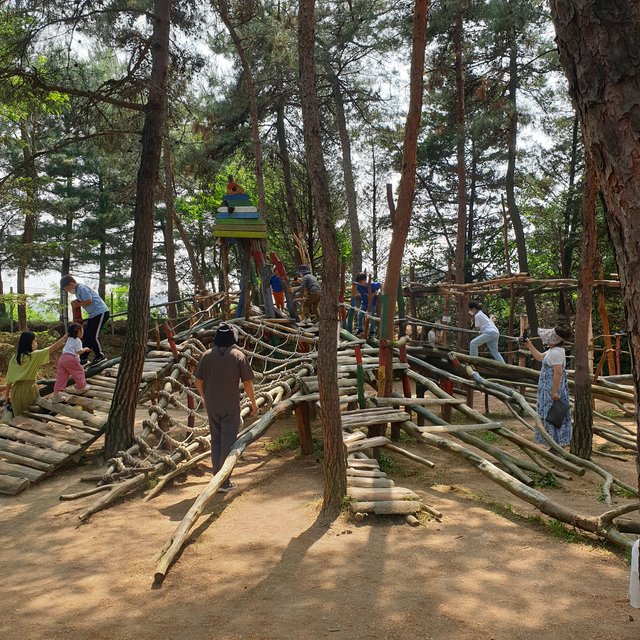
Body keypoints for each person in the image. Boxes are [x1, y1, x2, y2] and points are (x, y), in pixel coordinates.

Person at [195, 322, 258, 493]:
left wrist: (204, 397)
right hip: (230, 406)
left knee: (216, 440)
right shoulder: (238, 355)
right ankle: (223, 482)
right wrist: (253, 403)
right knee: (228, 442)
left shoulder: (206, 355)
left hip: (212, 405)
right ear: (233, 338)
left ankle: (217, 476)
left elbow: (197, 380)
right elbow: (247, 383)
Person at [522, 327, 573, 448]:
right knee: (550, 414)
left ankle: (557, 443)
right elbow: (539, 357)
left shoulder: (556, 353)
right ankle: (553, 443)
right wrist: (529, 345)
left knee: (553, 415)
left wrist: (554, 391)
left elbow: (558, 373)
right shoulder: (553, 350)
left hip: (552, 389)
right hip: (547, 388)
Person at [4, 330, 68, 418]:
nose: (36, 343)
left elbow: (9, 380)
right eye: (34, 341)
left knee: (19, 419)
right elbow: (52, 348)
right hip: (29, 390)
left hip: (16, 391)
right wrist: (65, 337)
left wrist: (7, 396)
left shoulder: (14, 358)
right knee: (33, 417)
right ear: (29, 343)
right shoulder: (34, 356)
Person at [60, 275, 109, 367]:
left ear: (71, 284)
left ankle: (100, 356)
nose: (68, 291)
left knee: (93, 335)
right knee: (87, 336)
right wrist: (76, 302)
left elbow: (89, 300)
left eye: (67, 288)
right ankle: (83, 359)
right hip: (93, 315)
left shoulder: (82, 288)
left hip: (101, 312)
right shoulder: (77, 292)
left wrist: (78, 304)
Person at [52, 323, 92, 402]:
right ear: (78, 331)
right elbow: (79, 352)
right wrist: (85, 349)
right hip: (70, 358)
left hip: (62, 358)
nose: (83, 332)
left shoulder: (69, 339)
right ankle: (81, 387)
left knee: (61, 378)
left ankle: (56, 396)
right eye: (82, 330)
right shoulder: (77, 340)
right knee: (79, 371)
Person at [354, 273, 381, 337]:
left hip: (372, 304)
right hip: (364, 303)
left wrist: (377, 292)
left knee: (371, 317)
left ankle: (372, 331)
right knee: (359, 315)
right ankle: (360, 329)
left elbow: (380, 284)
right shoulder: (359, 286)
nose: (360, 283)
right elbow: (354, 284)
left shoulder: (372, 285)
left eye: (361, 282)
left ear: (365, 280)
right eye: (359, 282)